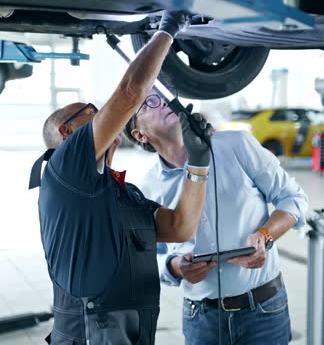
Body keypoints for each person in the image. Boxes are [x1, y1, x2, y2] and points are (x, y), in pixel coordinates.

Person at [29, 10, 213, 345]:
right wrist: (169, 29)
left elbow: (180, 227)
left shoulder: (125, 193)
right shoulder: (63, 170)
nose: (101, 112)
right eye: (90, 110)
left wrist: (198, 165)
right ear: (67, 130)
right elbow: (130, 92)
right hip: (90, 334)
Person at [125, 98, 309, 345]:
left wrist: (265, 236)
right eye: (148, 104)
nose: (163, 103)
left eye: (161, 96)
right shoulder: (148, 188)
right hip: (202, 319)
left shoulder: (236, 145)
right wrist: (176, 266)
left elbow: (292, 198)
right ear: (140, 134)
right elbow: (144, 257)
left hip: (264, 310)